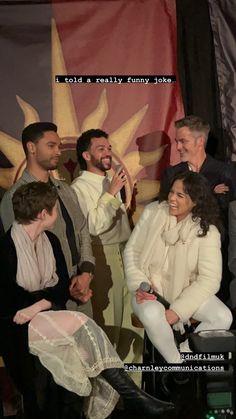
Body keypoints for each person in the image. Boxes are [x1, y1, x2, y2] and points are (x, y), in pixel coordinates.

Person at [0, 182, 174, 419]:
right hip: (14, 326)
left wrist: (38, 305)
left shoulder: (50, 241)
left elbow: (61, 289)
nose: (58, 212)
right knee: (80, 322)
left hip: (44, 315)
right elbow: (8, 301)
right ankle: (132, 396)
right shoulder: (6, 247)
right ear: (43, 214)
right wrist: (38, 304)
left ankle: (121, 400)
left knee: (82, 351)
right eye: (54, 208)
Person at [124, 172, 232, 363]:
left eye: (180, 195)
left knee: (222, 316)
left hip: (184, 291)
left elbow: (209, 280)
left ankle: (185, 352)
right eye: (172, 192)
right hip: (149, 290)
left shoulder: (207, 231)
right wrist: (140, 285)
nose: (172, 198)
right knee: (151, 313)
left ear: (195, 202)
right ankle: (176, 364)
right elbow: (132, 251)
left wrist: (178, 310)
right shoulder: (153, 212)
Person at [0, 122, 95, 315]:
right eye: (51, 146)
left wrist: (86, 273)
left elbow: (82, 230)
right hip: (45, 306)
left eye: (59, 146)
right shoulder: (15, 197)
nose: (58, 151)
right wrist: (53, 294)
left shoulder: (66, 190)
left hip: (81, 293)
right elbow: (18, 257)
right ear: (31, 147)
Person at [71, 129, 142, 366]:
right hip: (103, 257)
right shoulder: (79, 187)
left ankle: (132, 395)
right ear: (87, 155)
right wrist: (111, 194)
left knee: (133, 324)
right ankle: (108, 398)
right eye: (100, 149)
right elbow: (93, 227)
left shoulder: (109, 181)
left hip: (126, 255)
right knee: (110, 326)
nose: (108, 153)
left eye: (109, 148)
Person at [159, 115, 236, 301]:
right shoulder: (172, 174)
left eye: (182, 141)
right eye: (177, 141)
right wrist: (211, 193)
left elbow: (229, 215)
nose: (177, 147)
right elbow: (166, 213)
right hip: (181, 260)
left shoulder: (224, 171)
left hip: (219, 258)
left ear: (200, 141)